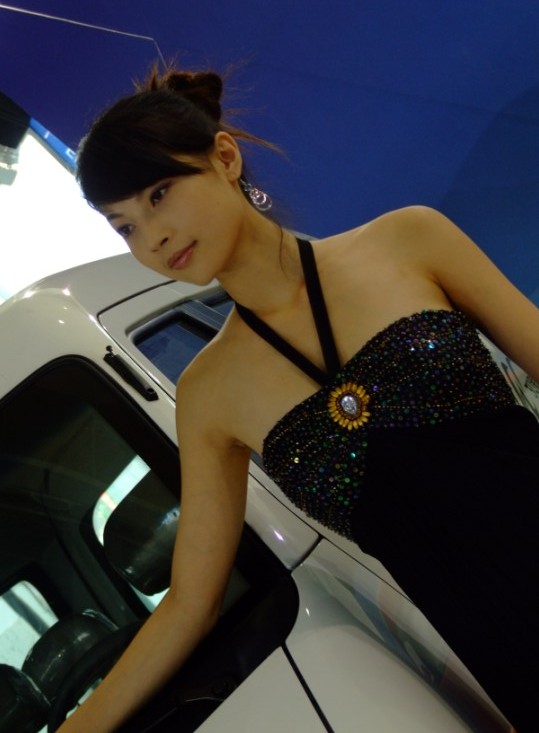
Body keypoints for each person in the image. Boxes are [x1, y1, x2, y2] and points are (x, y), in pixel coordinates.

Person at [61, 66, 539, 732]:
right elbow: (189, 605)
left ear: (224, 158)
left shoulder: (407, 240)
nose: (153, 237)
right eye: (125, 227)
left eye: (160, 194)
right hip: (507, 653)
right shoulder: (208, 394)